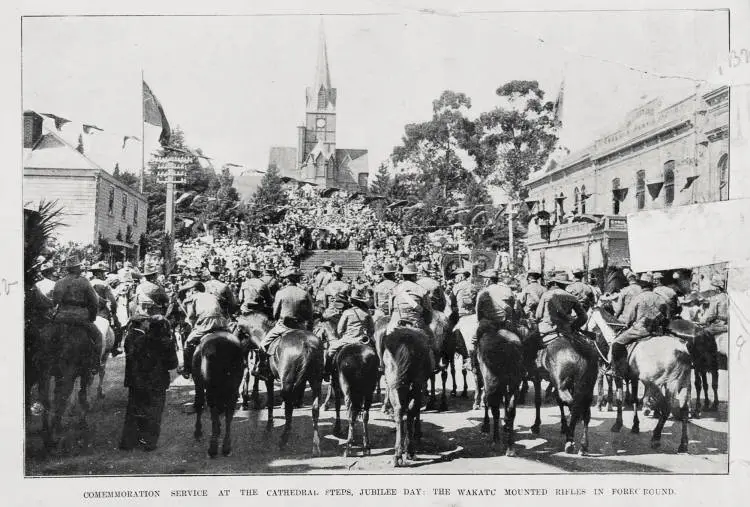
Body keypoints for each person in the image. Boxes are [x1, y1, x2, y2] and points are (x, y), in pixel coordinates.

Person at [119, 315, 178, 451]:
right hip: (158, 382)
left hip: (139, 381)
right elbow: (172, 364)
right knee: (155, 412)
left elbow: (132, 359)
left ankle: (128, 442)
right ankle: (150, 443)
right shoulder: (167, 342)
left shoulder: (139, 340)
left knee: (134, 411)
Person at [255, 267, 314, 381]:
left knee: (263, 345)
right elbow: (309, 314)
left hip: (283, 326)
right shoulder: (304, 293)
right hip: (300, 327)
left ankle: (262, 368)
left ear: (287, 279)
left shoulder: (281, 293)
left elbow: (275, 313)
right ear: (298, 279)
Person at [607, 273, 668, 378]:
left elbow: (630, 317)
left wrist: (628, 325)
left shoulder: (638, 298)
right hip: (657, 331)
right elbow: (666, 315)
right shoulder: (661, 298)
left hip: (640, 330)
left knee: (616, 344)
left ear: (642, 285)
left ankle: (617, 371)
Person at [50, 255, 102, 375]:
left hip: (61, 317)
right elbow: (94, 302)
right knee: (98, 336)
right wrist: (92, 317)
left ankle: (50, 364)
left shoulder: (59, 282)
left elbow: (55, 301)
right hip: (81, 318)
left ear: (68, 268)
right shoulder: (84, 282)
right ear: (77, 268)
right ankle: (95, 364)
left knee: (50, 337)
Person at [179, 280, 232, 378]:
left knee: (188, 343)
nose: (186, 294)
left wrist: (193, 325)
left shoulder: (191, 298)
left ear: (192, 291)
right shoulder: (212, 295)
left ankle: (187, 369)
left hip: (205, 324)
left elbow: (191, 317)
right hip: (221, 322)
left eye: (187, 291)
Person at [323, 288, 374, 380]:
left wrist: (342, 336)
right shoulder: (367, 312)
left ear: (352, 301)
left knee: (330, 351)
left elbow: (340, 330)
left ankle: (327, 372)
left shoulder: (347, 312)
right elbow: (371, 329)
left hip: (348, 339)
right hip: (363, 340)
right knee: (376, 352)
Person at [474, 268, 521, 347]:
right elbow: (514, 306)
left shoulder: (483, 292)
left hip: (488, 325)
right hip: (506, 324)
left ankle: (472, 357)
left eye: (484, 279)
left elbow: (478, 314)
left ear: (488, 280)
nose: (483, 281)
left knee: (474, 341)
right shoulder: (507, 290)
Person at [535, 273, 588, 339]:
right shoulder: (572, 297)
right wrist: (573, 327)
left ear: (555, 283)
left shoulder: (546, 294)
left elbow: (538, 315)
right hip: (566, 330)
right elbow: (584, 317)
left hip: (547, 329)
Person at [89, 261, 123, 355]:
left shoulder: (88, 283)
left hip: (89, 312)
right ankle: (115, 348)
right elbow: (112, 302)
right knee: (117, 326)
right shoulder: (104, 284)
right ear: (98, 273)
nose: (104, 274)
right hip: (101, 312)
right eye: (102, 272)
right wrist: (114, 313)